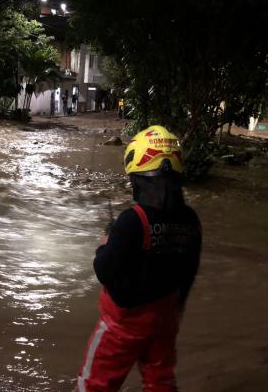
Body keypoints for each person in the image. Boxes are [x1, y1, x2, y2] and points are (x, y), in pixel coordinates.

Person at [77, 125, 202, 392]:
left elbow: (104, 270)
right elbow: (190, 268)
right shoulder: (191, 219)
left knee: (95, 384)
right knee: (160, 380)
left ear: (138, 177)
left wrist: (105, 243)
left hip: (122, 325)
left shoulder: (131, 220)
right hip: (165, 319)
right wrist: (177, 310)